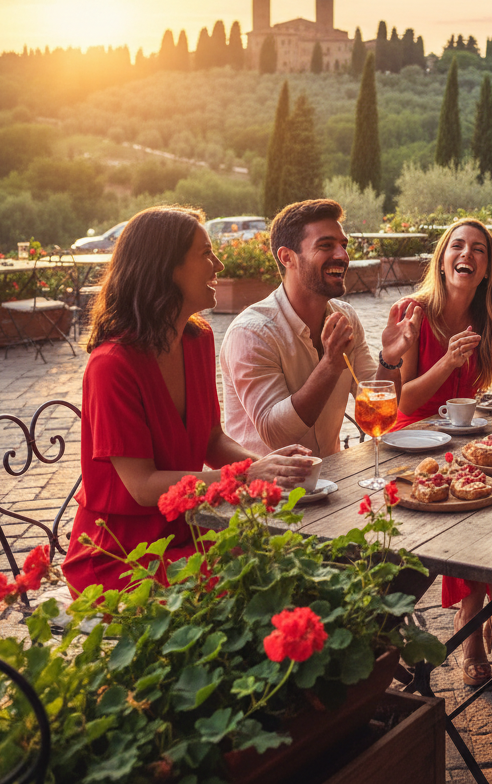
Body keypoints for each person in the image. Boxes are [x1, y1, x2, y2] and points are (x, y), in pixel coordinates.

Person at [63, 206, 313, 595]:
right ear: (166, 268)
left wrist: (266, 467)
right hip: (120, 558)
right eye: (205, 253)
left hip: (189, 530)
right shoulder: (111, 365)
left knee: (294, 560)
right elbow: (143, 487)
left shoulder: (196, 340)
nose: (219, 263)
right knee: (260, 582)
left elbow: (213, 440)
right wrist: (246, 478)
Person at [394, 219, 492, 686]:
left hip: (463, 437)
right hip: (414, 439)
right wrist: (448, 362)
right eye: (457, 246)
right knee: (473, 491)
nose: (467, 254)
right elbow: (404, 401)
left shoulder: (491, 315)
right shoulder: (411, 312)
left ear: (485, 270)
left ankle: (472, 622)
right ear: (442, 259)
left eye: (479, 250)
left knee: (491, 489)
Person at [220, 199, 421, 459]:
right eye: (326, 246)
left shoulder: (345, 316)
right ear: (287, 257)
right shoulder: (252, 333)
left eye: (344, 245)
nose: (342, 255)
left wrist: (390, 359)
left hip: (329, 483)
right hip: (268, 493)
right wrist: (330, 365)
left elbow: (378, 414)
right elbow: (276, 435)